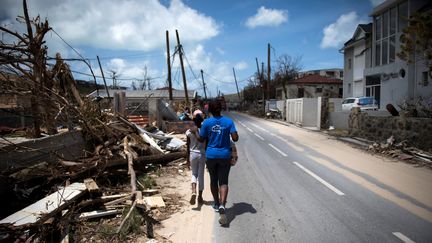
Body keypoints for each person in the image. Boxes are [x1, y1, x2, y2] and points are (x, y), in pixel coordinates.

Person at [192, 100, 239, 225]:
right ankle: (223, 204)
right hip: (224, 155)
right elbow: (235, 138)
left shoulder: (207, 123)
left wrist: (195, 131)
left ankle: (217, 204)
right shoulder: (228, 122)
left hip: (211, 156)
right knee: (223, 182)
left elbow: (201, 139)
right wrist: (230, 132)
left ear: (210, 111)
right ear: (221, 109)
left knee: (213, 180)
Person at [185, 111, 205, 205]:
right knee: (201, 175)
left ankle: (193, 191)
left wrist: (187, 160)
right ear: (202, 119)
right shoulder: (204, 130)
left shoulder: (189, 131)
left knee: (194, 174)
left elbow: (187, 146)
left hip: (192, 154)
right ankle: (200, 197)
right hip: (202, 154)